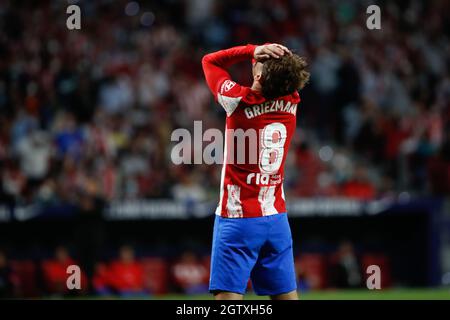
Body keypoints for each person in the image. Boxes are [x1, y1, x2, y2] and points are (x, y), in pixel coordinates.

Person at [202, 43, 309, 300]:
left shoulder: (237, 101)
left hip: (237, 220)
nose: (254, 62)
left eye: (257, 63)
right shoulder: (292, 100)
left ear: (259, 75)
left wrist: (252, 49)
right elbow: (285, 78)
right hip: (276, 220)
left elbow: (210, 61)